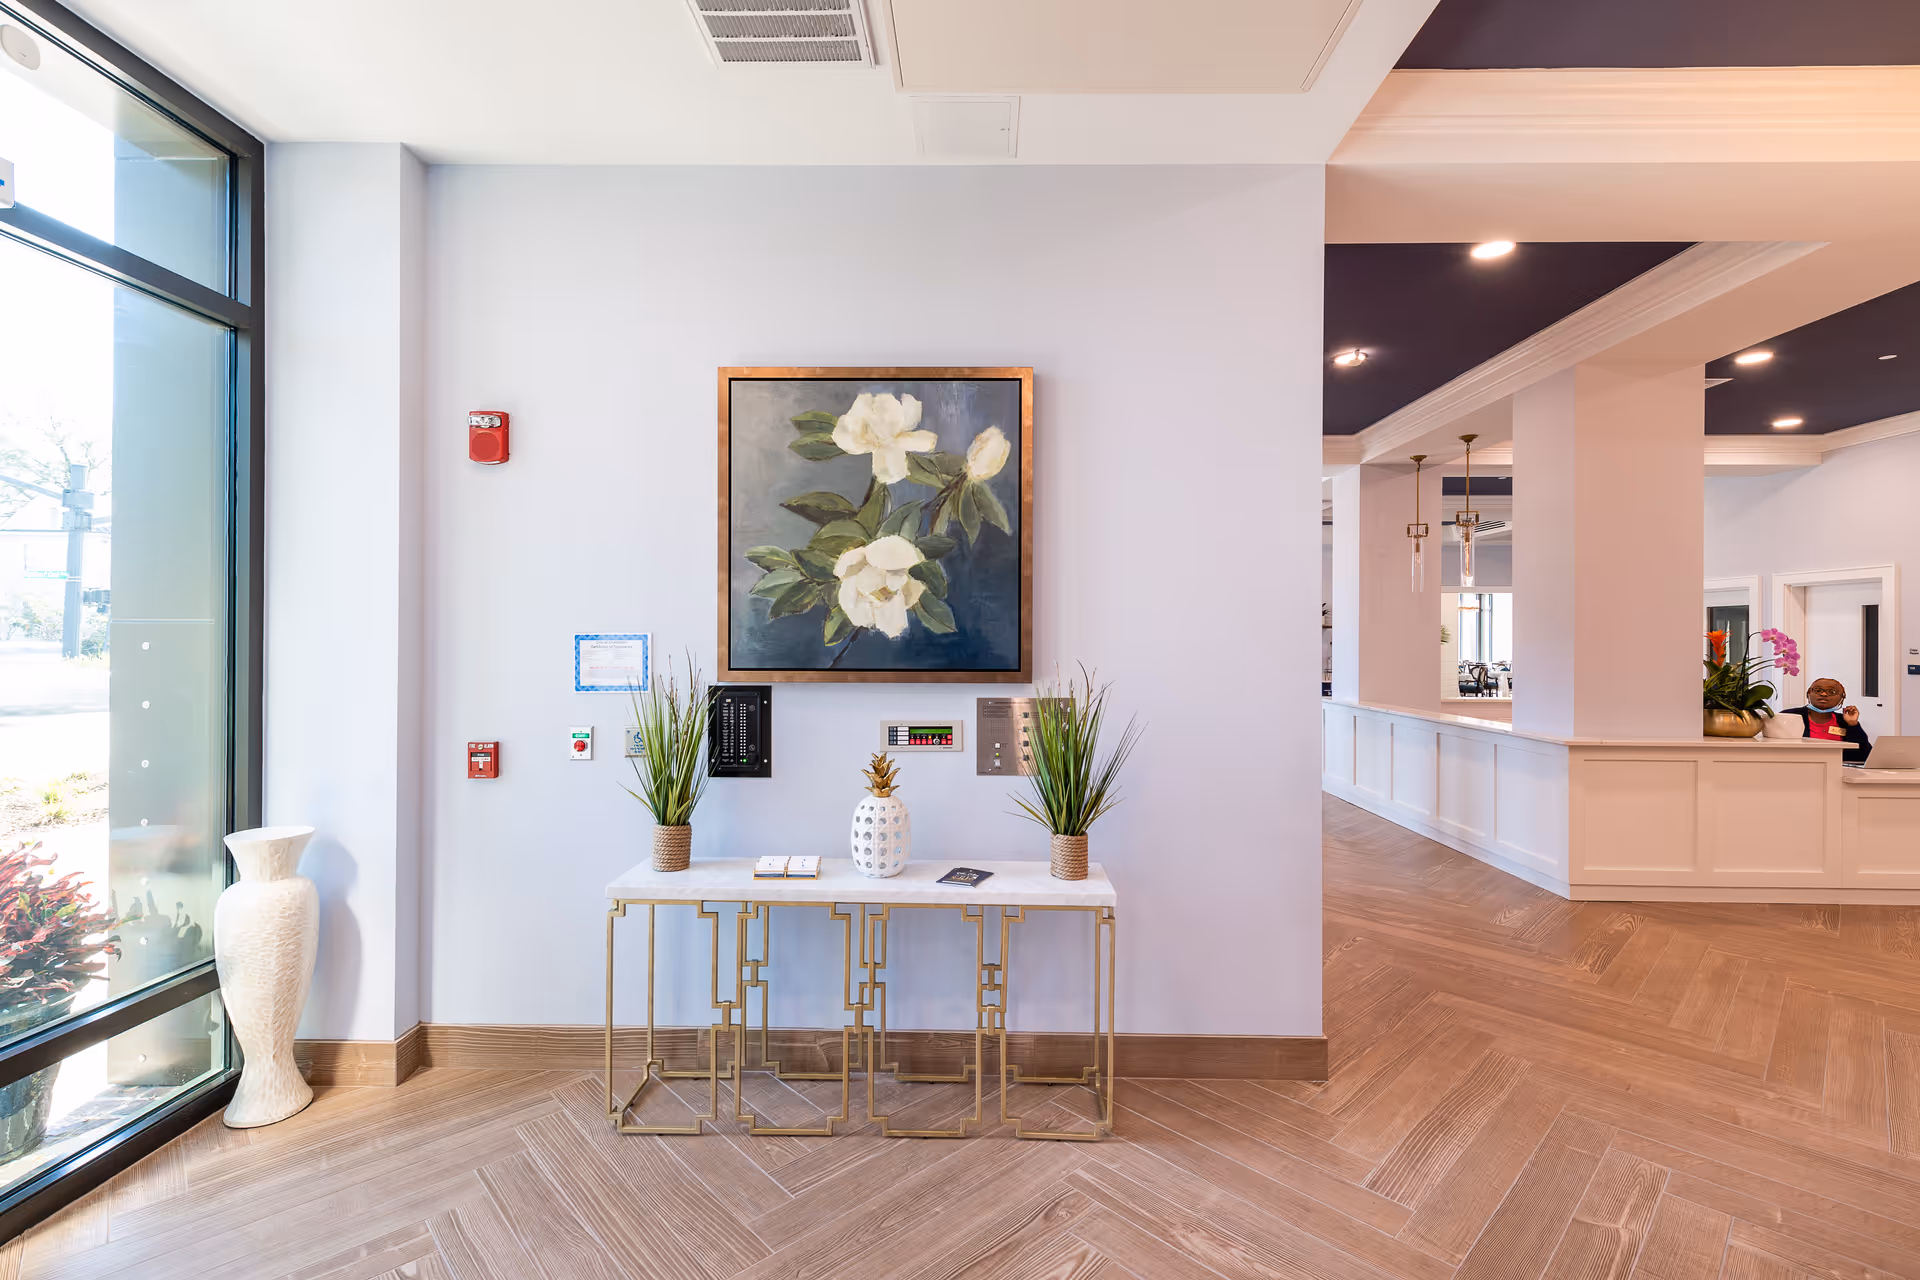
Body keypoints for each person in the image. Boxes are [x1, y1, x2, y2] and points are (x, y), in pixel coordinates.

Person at [1783, 677, 1872, 764]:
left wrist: (1853, 724)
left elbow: (1862, 755)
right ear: (1808, 693)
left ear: (1842, 697)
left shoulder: (1844, 722)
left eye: (1832, 692)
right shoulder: (1789, 717)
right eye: (1818, 690)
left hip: (1837, 770)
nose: (1824, 694)